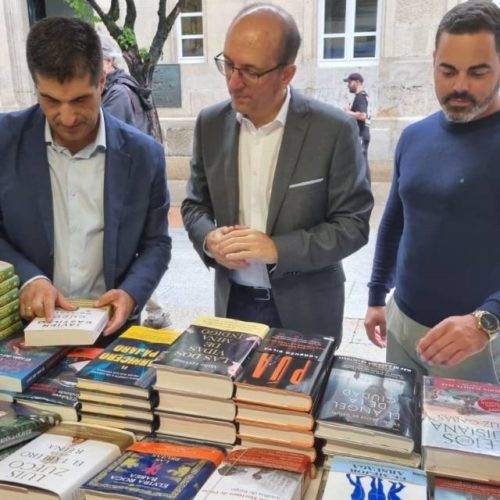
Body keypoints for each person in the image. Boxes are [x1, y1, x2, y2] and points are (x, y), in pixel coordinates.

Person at [181, 4, 373, 344]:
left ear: (287, 74)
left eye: (250, 72)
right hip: (232, 306)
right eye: (228, 65)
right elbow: (195, 205)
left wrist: (276, 249)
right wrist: (209, 239)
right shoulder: (210, 124)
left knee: (300, 399)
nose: (233, 82)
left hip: (307, 309)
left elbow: (353, 225)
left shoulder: (333, 129)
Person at [0, 17, 171, 344]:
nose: (66, 117)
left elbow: (157, 244)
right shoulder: (4, 142)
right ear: (36, 86)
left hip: (108, 332)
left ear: (102, 82)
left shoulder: (145, 156)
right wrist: (29, 279)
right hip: (21, 332)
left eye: (80, 100)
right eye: (50, 100)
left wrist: (132, 294)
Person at [364, 0, 500, 383]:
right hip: (403, 325)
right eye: (448, 70)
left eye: (478, 72)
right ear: (433, 62)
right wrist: (377, 296)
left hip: (477, 343)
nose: (459, 86)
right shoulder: (414, 136)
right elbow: (395, 221)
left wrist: (486, 320)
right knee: (401, 440)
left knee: (461, 446)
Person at [99, 31, 170, 329]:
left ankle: (151, 309)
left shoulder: (116, 93)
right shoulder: (126, 87)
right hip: (133, 181)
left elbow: (109, 146)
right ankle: (152, 308)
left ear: (106, 64)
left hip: (124, 184)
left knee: (126, 257)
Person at [344, 73, 370, 169]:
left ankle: (364, 184)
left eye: (350, 82)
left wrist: (348, 112)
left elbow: (363, 116)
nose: (348, 85)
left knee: (361, 163)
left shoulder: (360, 97)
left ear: (357, 82)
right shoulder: (362, 96)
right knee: (361, 162)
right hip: (362, 134)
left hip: (361, 134)